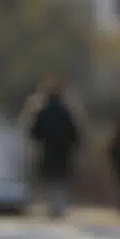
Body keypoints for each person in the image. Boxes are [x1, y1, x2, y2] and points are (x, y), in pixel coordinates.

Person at [23, 80, 81, 219]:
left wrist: (41, 141)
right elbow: (75, 133)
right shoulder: (67, 111)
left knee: (49, 179)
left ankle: (51, 206)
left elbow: (33, 132)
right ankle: (58, 206)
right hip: (63, 151)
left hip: (47, 150)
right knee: (60, 180)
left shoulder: (41, 111)